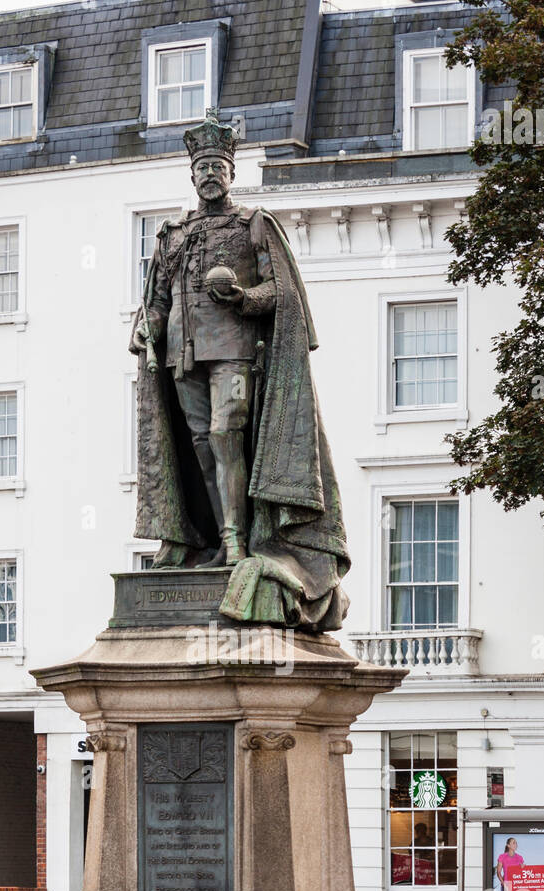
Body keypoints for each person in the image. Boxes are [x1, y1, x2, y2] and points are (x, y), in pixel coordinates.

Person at [130, 109, 350, 632]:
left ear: (231, 172)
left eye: (218, 166)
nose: (210, 174)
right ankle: (200, 537)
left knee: (229, 434)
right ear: (192, 174)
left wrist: (242, 296)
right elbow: (158, 300)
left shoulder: (253, 224)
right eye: (202, 166)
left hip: (234, 350)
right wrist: (147, 326)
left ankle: (236, 539)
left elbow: (283, 295)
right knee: (202, 446)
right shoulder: (173, 233)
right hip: (184, 354)